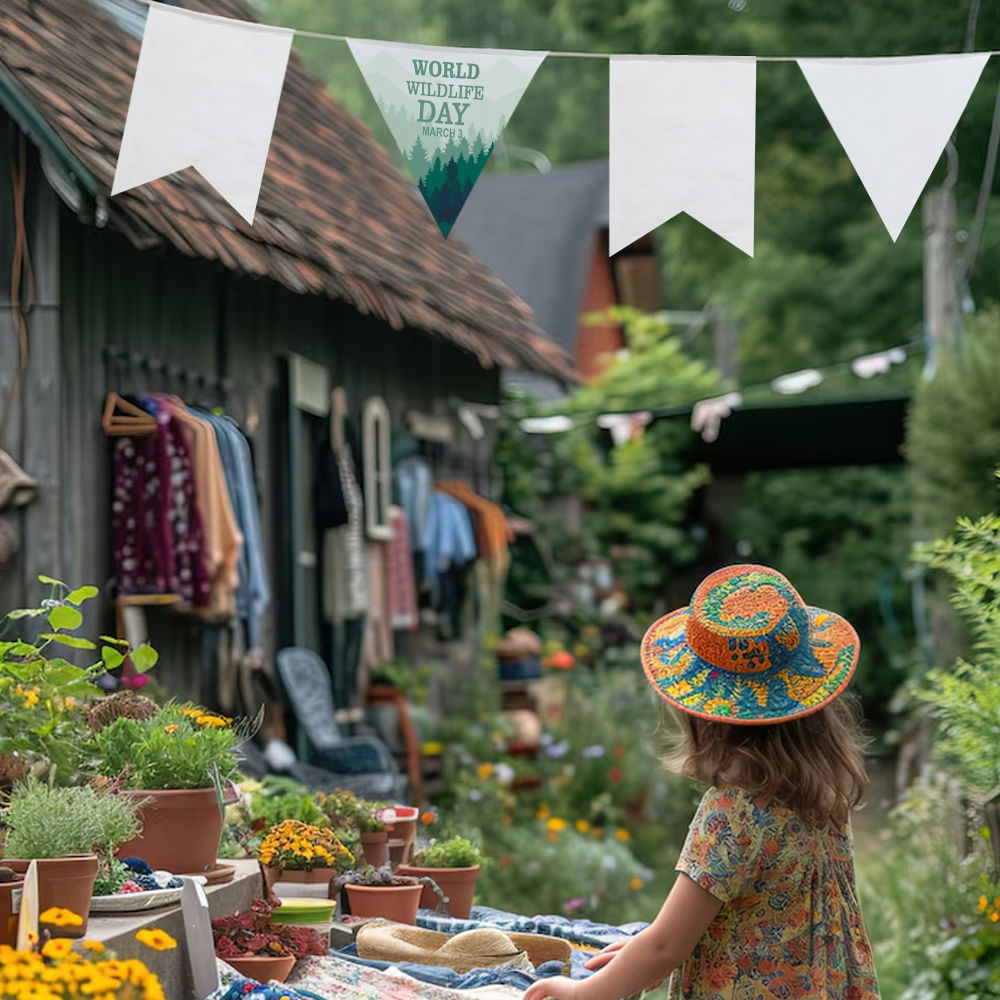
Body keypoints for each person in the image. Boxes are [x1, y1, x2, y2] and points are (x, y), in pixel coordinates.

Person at [524, 564, 880, 1000]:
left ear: (703, 716)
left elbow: (666, 947)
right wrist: (642, 952)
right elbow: (717, 922)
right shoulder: (819, 792)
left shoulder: (733, 814)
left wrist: (581, 993)